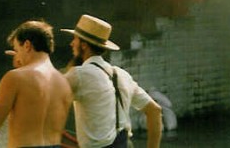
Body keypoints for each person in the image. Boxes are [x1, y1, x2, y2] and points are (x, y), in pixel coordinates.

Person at [0, 20, 73, 148]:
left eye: (17, 49)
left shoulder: (16, 77)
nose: (17, 56)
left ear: (27, 45)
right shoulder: (64, 82)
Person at [62, 14, 162, 148]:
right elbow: (154, 110)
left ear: (84, 45)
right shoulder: (123, 75)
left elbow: (47, 94)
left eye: (75, 39)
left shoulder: (80, 75)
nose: (72, 43)